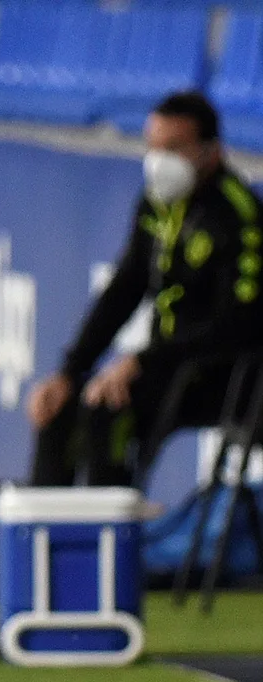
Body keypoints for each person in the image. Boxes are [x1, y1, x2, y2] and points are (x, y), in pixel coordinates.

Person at [26, 91, 263, 487]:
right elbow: (124, 289)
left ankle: (110, 533)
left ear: (211, 152)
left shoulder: (238, 216)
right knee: (62, 407)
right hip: (164, 366)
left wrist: (145, 361)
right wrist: (69, 371)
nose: (159, 161)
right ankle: (45, 531)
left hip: (224, 376)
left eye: (173, 148)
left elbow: (239, 324)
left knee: (110, 407)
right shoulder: (156, 204)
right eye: (152, 147)